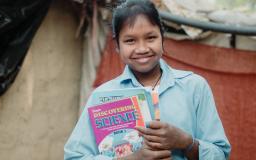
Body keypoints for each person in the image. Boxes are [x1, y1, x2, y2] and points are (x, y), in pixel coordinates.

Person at [64, 0, 231, 159]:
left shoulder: (194, 87)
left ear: (162, 37)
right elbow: (74, 157)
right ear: (117, 45)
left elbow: (221, 154)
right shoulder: (102, 96)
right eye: (130, 41)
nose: (142, 49)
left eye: (151, 37)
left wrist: (186, 142)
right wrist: (132, 158)